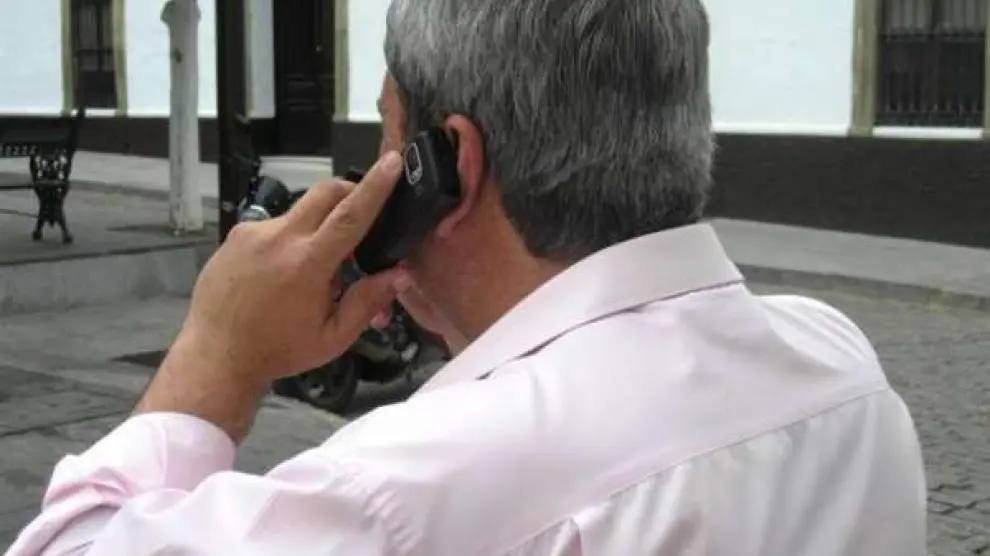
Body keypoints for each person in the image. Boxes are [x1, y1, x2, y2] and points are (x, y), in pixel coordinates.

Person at [7, 0, 926, 554]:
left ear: (446, 167)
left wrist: (218, 352)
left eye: (387, 130)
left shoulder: (403, 492)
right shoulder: (843, 367)